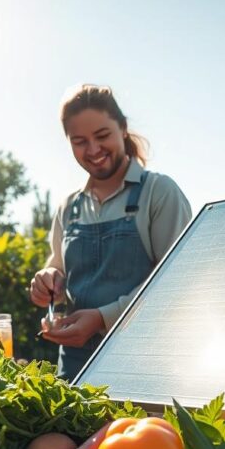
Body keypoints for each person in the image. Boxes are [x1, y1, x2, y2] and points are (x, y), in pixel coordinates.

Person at [30, 84, 193, 379]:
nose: (92, 150)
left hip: (143, 370)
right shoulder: (69, 207)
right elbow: (58, 270)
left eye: (102, 136)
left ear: (123, 129)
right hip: (76, 373)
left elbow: (176, 287)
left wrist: (102, 319)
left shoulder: (158, 193)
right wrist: (47, 283)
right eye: (79, 141)